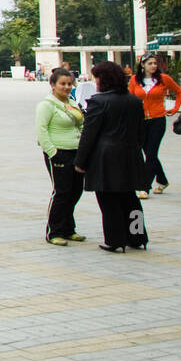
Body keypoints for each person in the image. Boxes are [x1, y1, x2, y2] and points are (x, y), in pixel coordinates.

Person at [77, 61, 149, 252]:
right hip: (130, 154)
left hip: (105, 157)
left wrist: (80, 161)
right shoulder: (134, 101)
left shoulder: (97, 102)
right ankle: (137, 236)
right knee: (130, 198)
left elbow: (89, 135)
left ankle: (115, 239)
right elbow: (141, 132)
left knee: (108, 200)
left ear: (102, 79)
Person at [36, 67, 88, 246]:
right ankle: (54, 231)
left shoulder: (72, 103)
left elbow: (81, 124)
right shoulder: (46, 105)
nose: (66, 87)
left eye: (69, 84)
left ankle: (68, 228)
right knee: (62, 191)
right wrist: (53, 152)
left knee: (75, 190)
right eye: (62, 84)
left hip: (76, 152)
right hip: (59, 152)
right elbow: (41, 131)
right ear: (52, 85)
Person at [129, 53, 181, 196]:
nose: (153, 66)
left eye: (155, 63)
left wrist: (175, 107)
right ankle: (162, 180)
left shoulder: (163, 79)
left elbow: (179, 91)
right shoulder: (134, 80)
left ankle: (144, 186)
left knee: (151, 152)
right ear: (142, 65)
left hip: (157, 120)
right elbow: (129, 98)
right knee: (148, 153)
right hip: (140, 121)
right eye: (150, 63)